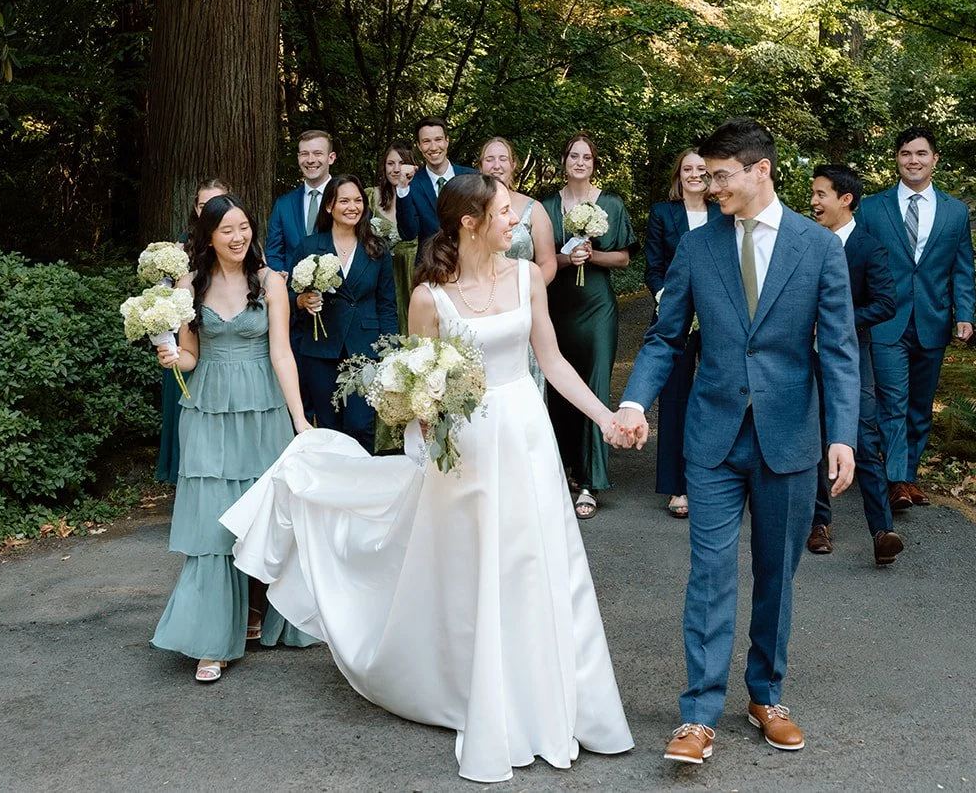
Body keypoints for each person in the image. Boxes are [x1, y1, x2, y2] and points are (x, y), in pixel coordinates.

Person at [223, 174, 635, 783]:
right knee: (477, 572)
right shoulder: (429, 297)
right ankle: (483, 696)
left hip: (524, 434)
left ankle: (561, 700)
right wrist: (416, 409)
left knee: (539, 564)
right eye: (503, 214)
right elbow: (418, 388)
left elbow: (549, 359)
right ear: (469, 222)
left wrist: (605, 417)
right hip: (466, 447)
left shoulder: (526, 279)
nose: (515, 223)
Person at [610, 117, 860, 766]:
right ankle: (697, 713)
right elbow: (666, 336)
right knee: (711, 574)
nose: (710, 186)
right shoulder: (699, 246)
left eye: (721, 175)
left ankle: (765, 696)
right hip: (713, 437)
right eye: (707, 174)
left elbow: (837, 350)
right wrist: (635, 398)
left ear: (760, 170)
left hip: (789, 439)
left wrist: (844, 436)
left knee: (777, 574)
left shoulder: (818, 247)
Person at [152, 194, 315, 682]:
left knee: (264, 515)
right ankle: (210, 640)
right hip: (207, 409)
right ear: (208, 236)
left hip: (263, 408)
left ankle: (274, 619)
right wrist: (170, 356)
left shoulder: (270, 283)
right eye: (227, 230)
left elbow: (282, 354)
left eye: (244, 227)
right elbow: (190, 355)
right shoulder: (186, 285)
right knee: (212, 526)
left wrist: (300, 420)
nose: (238, 236)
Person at [860, 127, 976, 509]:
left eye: (921, 153)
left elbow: (962, 268)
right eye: (906, 153)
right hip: (885, 321)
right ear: (896, 158)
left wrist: (965, 314)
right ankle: (895, 482)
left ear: (934, 159)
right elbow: (856, 262)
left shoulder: (955, 211)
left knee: (920, 406)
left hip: (933, 319)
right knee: (893, 401)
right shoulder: (872, 208)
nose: (914, 160)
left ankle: (908, 476)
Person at [806, 165, 902, 566]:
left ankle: (882, 532)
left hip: (852, 356)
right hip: (804, 356)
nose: (812, 201)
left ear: (845, 200)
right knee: (815, 436)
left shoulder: (868, 248)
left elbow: (885, 303)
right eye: (812, 194)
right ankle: (818, 524)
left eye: (820, 194)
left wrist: (838, 319)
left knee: (863, 436)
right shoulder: (805, 241)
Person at [541, 133, 636, 520]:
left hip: (597, 308)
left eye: (587, 157)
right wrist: (568, 260)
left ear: (594, 163)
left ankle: (590, 481)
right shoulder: (547, 206)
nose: (579, 162)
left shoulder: (611, 202)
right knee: (557, 388)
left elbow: (626, 259)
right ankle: (560, 469)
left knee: (595, 385)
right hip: (556, 305)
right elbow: (540, 260)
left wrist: (592, 255)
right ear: (563, 161)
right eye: (573, 156)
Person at [289, 175, 398, 451]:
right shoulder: (309, 246)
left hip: (365, 349)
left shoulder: (377, 248)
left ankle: (362, 488)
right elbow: (289, 296)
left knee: (361, 425)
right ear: (329, 207)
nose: (353, 207)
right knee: (328, 427)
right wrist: (302, 301)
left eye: (358, 200)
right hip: (321, 349)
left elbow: (387, 305)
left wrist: (388, 353)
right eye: (345, 201)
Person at [643, 149, 720, 519]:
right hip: (676, 316)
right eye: (687, 169)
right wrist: (668, 302)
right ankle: (677, 486)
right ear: (679, 174)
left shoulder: (725, 210)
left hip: (719, 316)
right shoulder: (663, 213)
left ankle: (720, 477)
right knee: (675, 397)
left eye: (701, 169)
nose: (694, 174)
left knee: (720, 393)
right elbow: (654, 267)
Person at [156, 177, 230, 485]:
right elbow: (163, 293)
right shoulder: (181, 245)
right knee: (182, 407)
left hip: (222, 338)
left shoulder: (238, 240)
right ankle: (183, 478)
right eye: (203, 205)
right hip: (186, 334)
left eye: (218, 203)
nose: (210, 210)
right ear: (196, 208)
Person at [478, 136, 559, 286]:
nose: (496, 165)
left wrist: (526, 293)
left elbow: (548, 264)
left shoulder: (534, 208)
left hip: (521, 295)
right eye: (489, 159)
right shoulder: (469, 206)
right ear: (481, 166)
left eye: (503, 159)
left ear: (513, 164)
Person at [395, 116, 473, 250]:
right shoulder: (411, 184)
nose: (433, 147)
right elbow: (408, 234)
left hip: (471, 263)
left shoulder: (472, 177)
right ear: (419, 146)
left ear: (447, 141)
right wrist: (402, 188)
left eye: (438, 140)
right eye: (426, 141)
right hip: (430, 265)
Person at [266, 130, 338, 273]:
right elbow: (274, 253)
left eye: (318, 153)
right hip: (293, 291)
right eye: (304, 154)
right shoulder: (283, 204)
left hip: (340, 291)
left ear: (331, 158)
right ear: (298, 157)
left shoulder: (347, 200)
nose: (310, 160)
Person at [370, 139, 418, 334]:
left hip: (413, 273)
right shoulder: (370, 197)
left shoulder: (419, 197)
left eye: (401, 163)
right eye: (391, 163)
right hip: (381, 276)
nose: (396, 169)